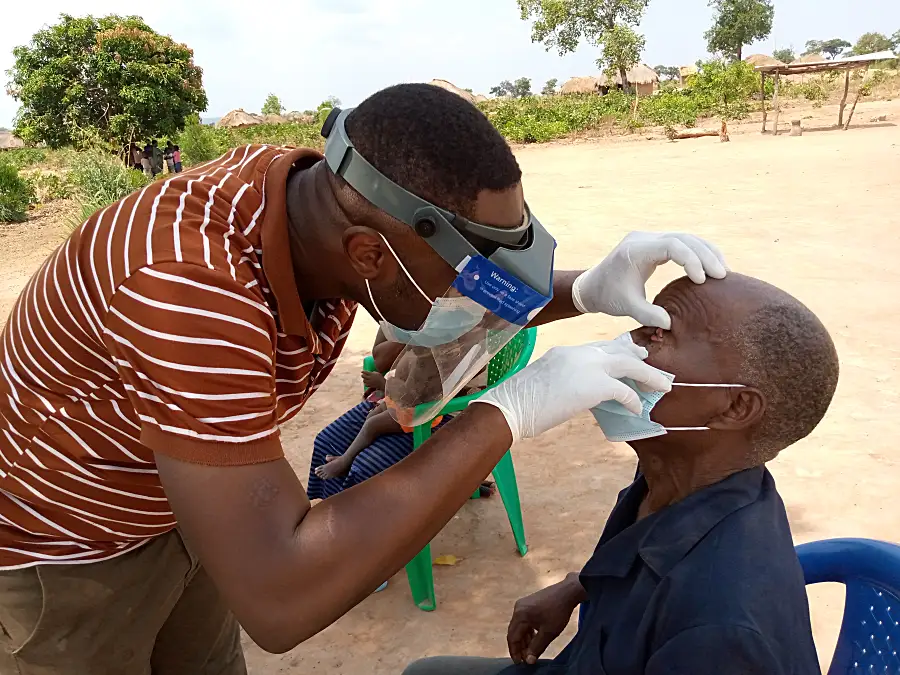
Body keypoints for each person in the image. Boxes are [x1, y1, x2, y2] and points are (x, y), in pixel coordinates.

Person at [0, 83, 727, 674]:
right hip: (70, 555)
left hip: (183, 508)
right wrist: (507, 412)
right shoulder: (187, 287)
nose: (479, 304)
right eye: (470, 283)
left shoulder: (316, 200)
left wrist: (586, 289)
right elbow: (279, 596)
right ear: (369, 256)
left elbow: (439, 292)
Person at [404, 273, 838, 675]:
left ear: (735, 407)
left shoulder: (719, 634)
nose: (627, 341)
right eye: (645, 321)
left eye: (661, 334)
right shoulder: (676, 472)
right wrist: (580, 585)